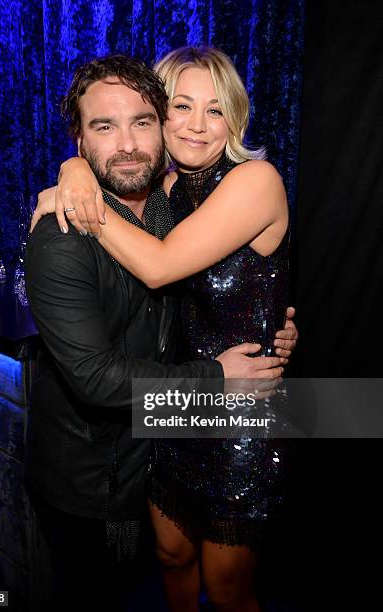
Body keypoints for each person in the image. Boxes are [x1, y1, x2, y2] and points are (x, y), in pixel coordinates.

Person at [25, 54, 296, 612]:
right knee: (170, 563)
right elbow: (100, 374)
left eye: (216, 110)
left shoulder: (246, 183)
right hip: (166, 417)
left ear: (236, 120)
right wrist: (71, 173)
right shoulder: (166, 194)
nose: (198, 124)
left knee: (225, 587)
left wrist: (78, 186)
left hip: (237, 410)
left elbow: (163, 268)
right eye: (183, 107)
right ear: (165, 117)